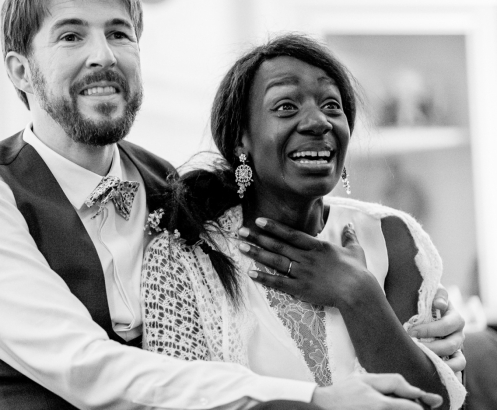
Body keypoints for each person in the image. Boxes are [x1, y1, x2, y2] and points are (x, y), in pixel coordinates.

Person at [0, 0, 463, 409]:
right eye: (70, 36)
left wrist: (423, 339)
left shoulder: (170, 189)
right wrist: (310, 400)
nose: (102, 56)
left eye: (119, 33)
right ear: (19, 70)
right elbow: (84, 366)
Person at [141, 35, 467, 409]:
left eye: (332, 105)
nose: (318, 122)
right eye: (285, 106)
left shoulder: (394, 237)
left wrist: (359, 294)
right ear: (240, 140)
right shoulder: (184, 257)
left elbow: (432, 404)